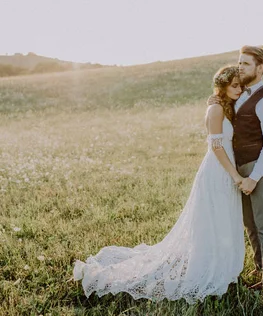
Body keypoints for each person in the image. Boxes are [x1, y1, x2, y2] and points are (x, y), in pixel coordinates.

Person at [73, 65, 246, 304]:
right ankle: (208, 264)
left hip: (226, 167)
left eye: (240, 85)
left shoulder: (226, 105)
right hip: (219, 170)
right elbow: (216, 146)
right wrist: (235, 175)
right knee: (214, 218)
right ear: (223, 86)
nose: (239, 89)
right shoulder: (215, 108)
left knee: (223, 217)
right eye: (235, 85)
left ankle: (223, 261)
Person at [211, 45, 263, 290]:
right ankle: (260, 269)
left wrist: (254, 176)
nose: (240, 67)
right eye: (239, 63)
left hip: (257, 168)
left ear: (260, 68)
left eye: (246, 64)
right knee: (250, 225)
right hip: (239, 169)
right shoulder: (239, 94)